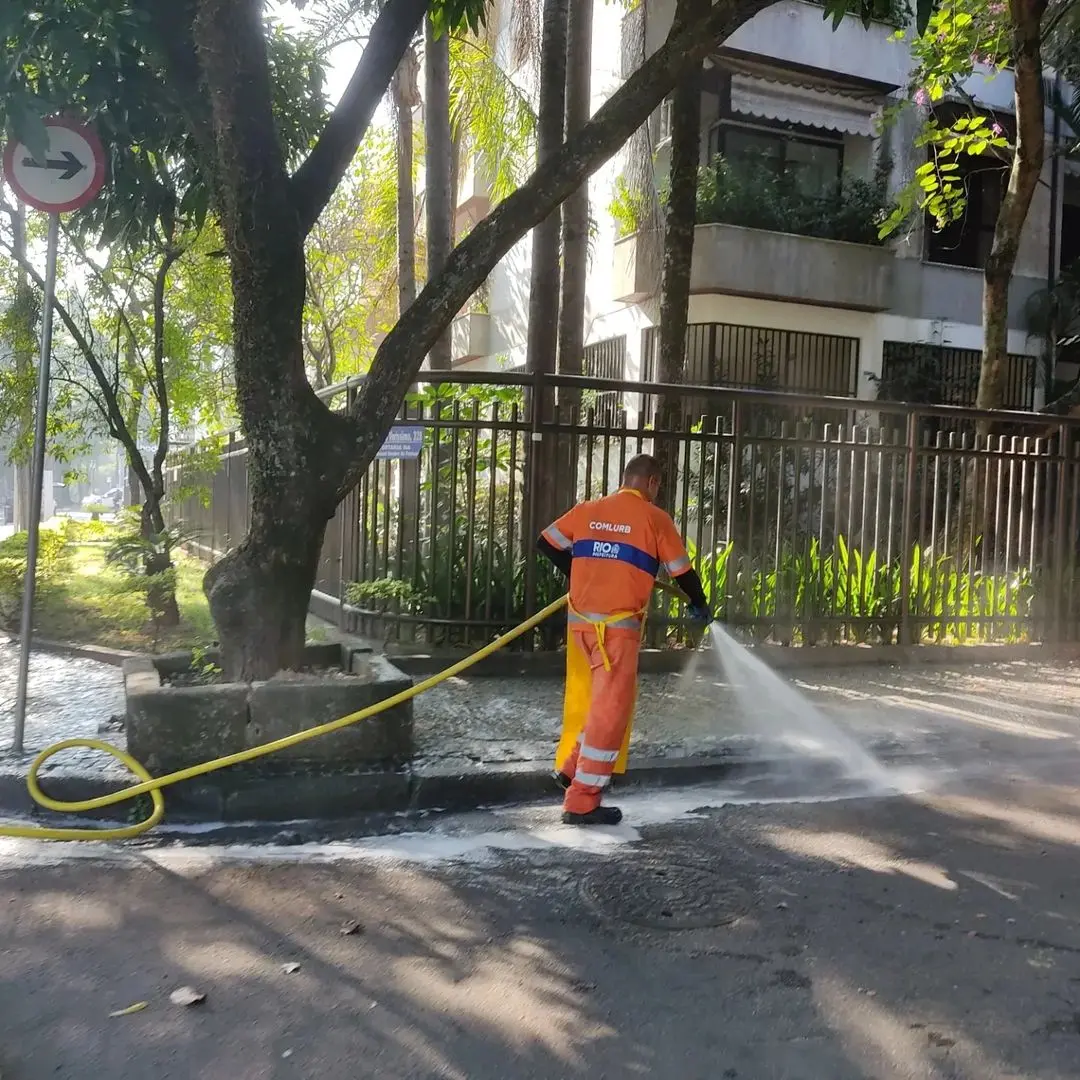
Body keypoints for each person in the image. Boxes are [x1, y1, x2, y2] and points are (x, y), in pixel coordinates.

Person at [536, 453, 711, 826]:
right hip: (616, 632)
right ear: (652, 483)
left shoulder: (588, 510)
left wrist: (581, 571)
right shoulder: (654, 518)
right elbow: (681, 571)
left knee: (601, 703)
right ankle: (581, 801)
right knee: (612, 712)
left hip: (581, 626)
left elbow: (546, 542)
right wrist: (699, 603)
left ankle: (571, 768)